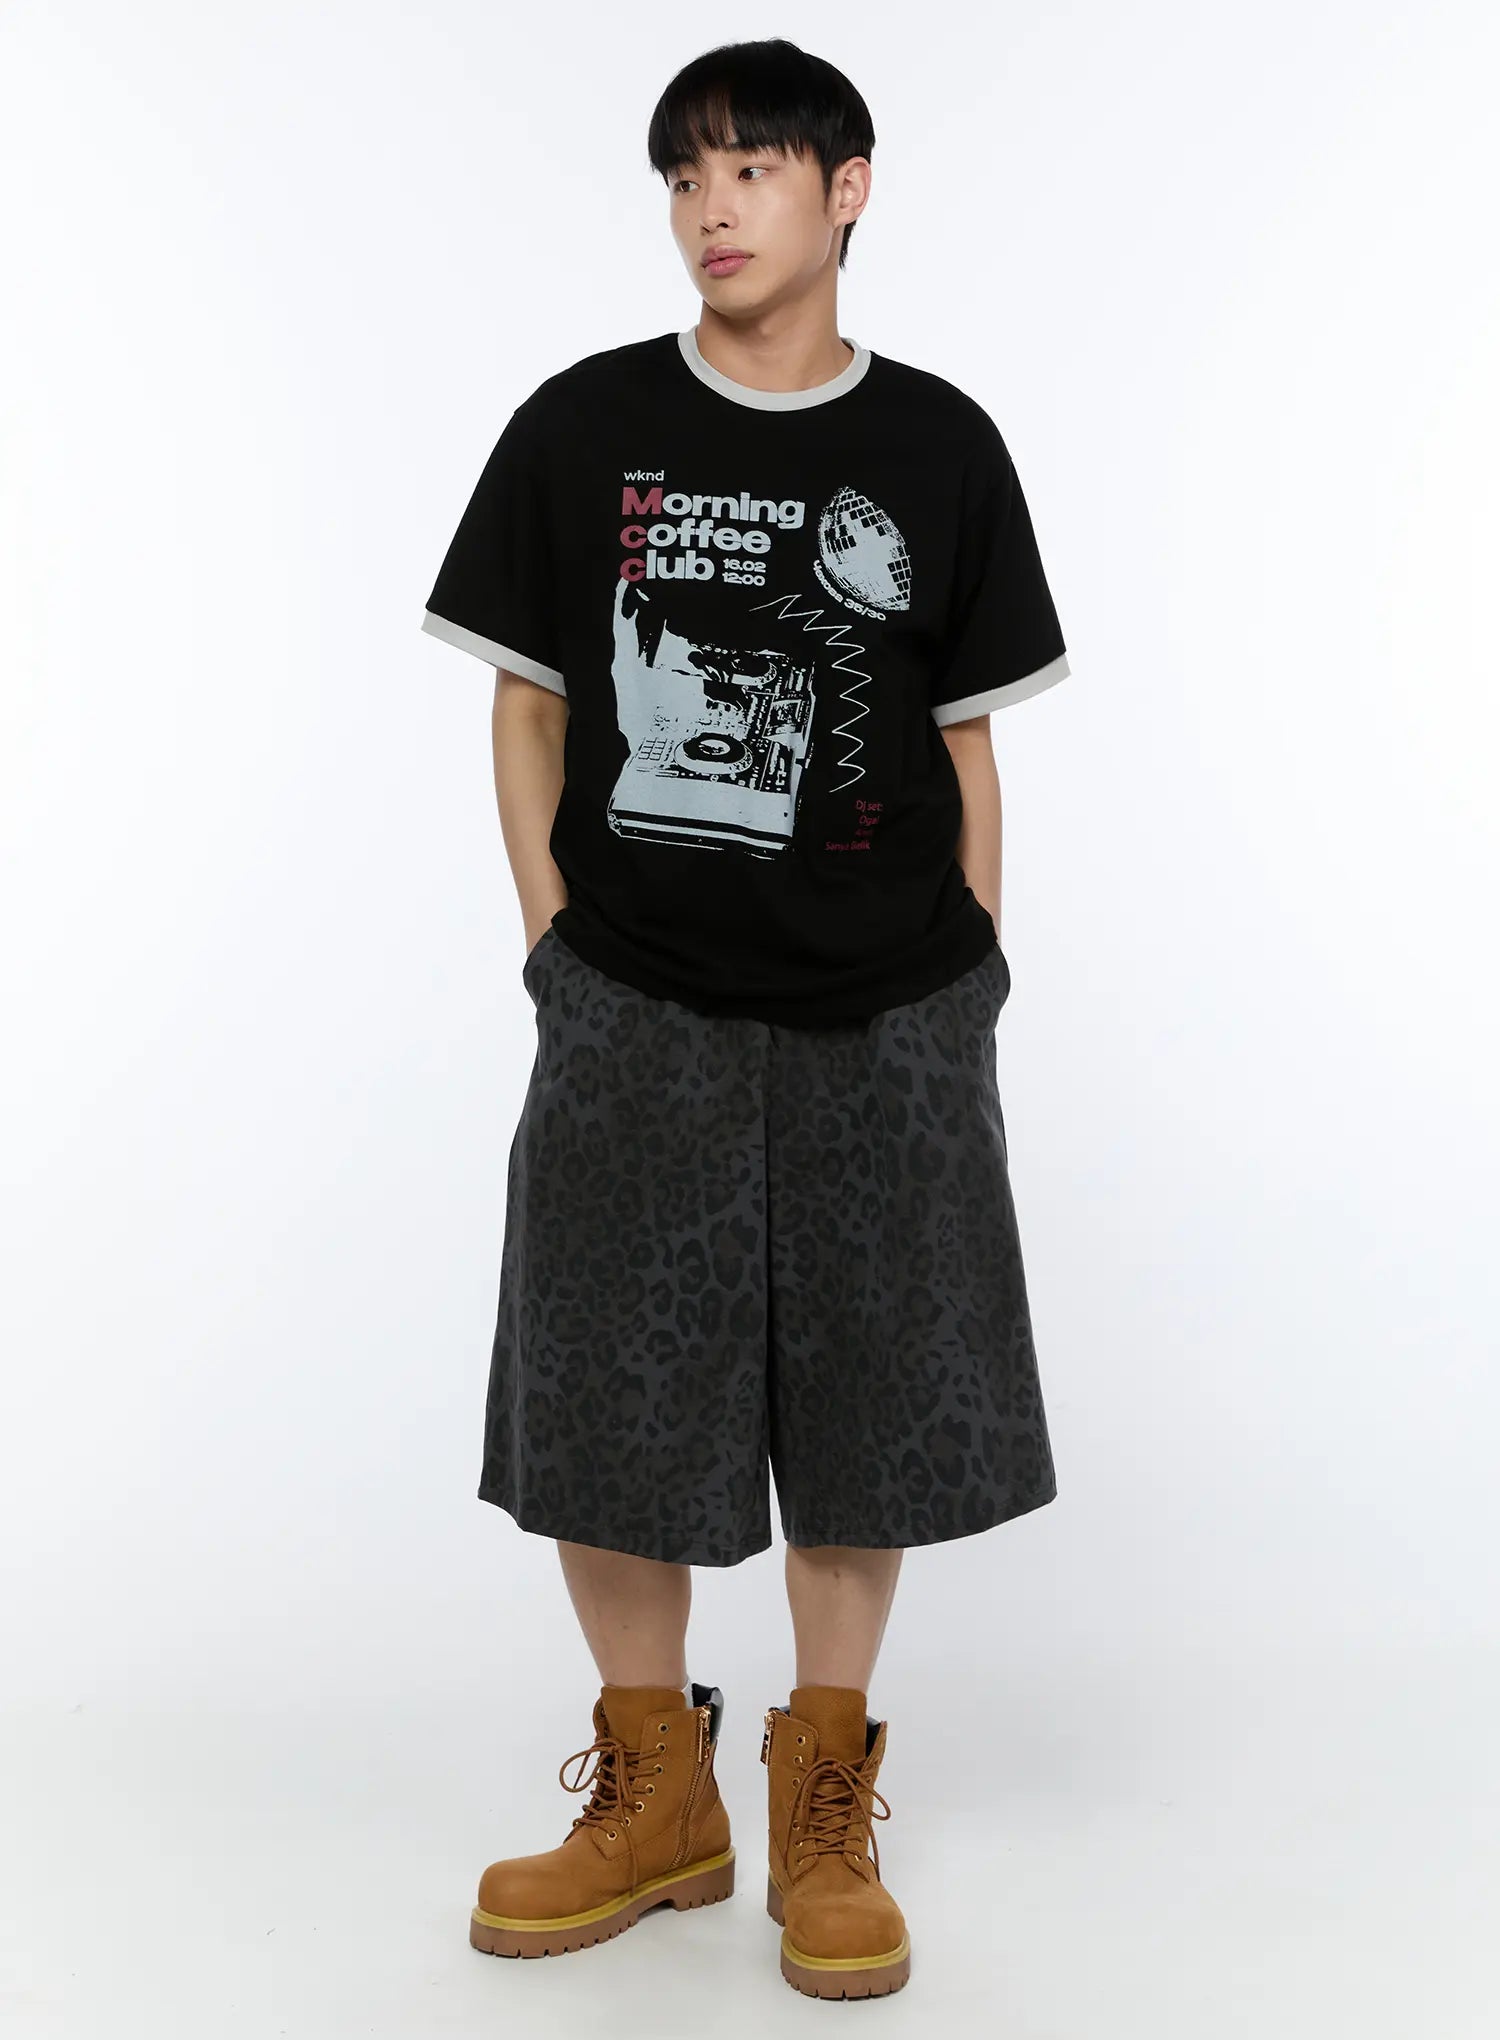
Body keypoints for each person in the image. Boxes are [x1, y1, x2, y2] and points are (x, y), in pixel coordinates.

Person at [419, 36, 1069, 2002]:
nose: (712, 208)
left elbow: (968, 740)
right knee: (606, 1390)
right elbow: (528, 705)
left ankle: (822, 1799)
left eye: (753, 168)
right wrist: (555, 948)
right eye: (684, 177)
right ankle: (654, 1793)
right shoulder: (583, 427)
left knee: (869, 1396)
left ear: (845, 190)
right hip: (634, 997)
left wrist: (971, 978)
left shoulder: (941, 446)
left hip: (893, 1006)